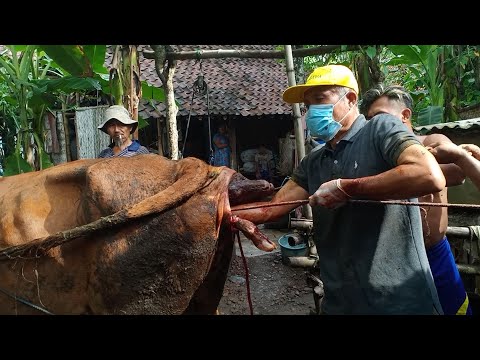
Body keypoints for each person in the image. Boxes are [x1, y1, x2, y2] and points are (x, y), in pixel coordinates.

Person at [232, 64, 447, 314]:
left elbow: (428, 174)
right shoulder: (313, 161)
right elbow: (272, 207)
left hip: (399, 301)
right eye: (308, 105)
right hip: (340, 303)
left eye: (321, 99)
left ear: (351, 99)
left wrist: (347, 188)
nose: (312, 110)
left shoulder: (380, 129)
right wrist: (221, 211)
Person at [360, 83, 472, 315]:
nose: (375, 125)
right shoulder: (370, 151)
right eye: (370, 120)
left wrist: (414, 168)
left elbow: (458, 173)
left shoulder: (431, 140)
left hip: (434, 252)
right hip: (393, 255)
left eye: (380, 117)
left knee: (453, 309)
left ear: (405, 115)